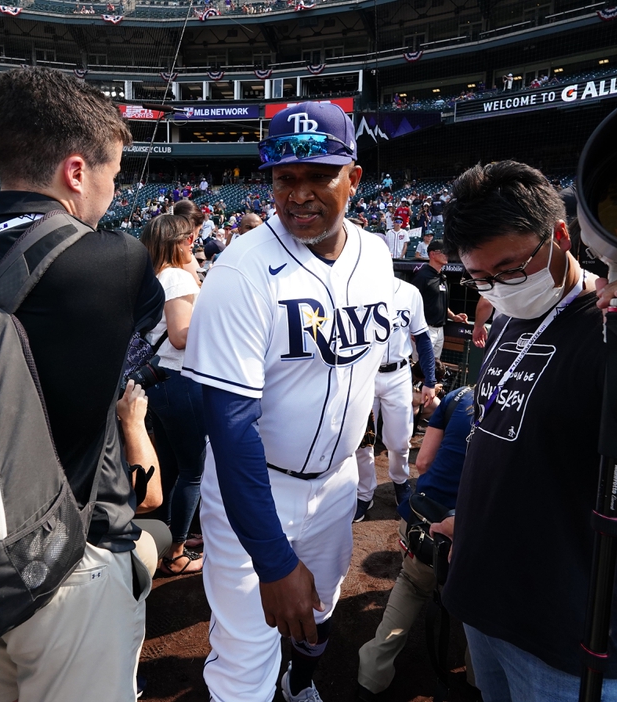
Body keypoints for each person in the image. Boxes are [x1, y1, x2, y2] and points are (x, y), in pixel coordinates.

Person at [0, 66, 165, 702]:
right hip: (67, 563)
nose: (111, 193)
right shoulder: (117, 258)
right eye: (109, 176)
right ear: (76, 172)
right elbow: (142, 361)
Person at [433, 161, 617, 702]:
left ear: (560, 235)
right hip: (482, 596)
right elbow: (506, 436)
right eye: (480, 277)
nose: (498, 288)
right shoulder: (505, 314)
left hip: (570, 626)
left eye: (511, 269)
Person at [182, 100, 393, 702]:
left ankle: (299, 684)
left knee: (317, 612)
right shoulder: (239, 272)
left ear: (353, 177)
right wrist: (272, 559)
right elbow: (229, 429)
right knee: (245, 659)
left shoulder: (376, 256)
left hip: (333, 484)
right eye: (284, 178)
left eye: (317, 175)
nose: (297, 193)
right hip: (254, 483)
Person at [357, 386, 474, 700]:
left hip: (421, 522)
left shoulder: (460, 396)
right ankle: (479, 681)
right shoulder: (521, 411)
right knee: (475, 611)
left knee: (410, 584)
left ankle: (370, 676)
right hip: (471, 532)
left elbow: (422, 462)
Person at [137, 214, 207, 576]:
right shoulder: (176, 276)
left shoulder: (154, 276)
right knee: (193, 471)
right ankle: (177, 552)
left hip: (159, 380)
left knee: (170, 466)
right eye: (187, 239)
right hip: (180, 378)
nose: (192, 243)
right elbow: (182, 335)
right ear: (175, 243)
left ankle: (163, 538)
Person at [354, 277, 437, 521]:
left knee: (400, 441)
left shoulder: (410, 292)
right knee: (363, 440)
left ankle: (400, 482)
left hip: (399, 374)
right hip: (365, 373)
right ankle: (364, 494)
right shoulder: (356, 289)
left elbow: (422, 337)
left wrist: (430, 380)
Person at [411, 240, 468, 361]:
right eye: (443, 252)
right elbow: (411, 303)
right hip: (424, 329)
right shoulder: (423, 276)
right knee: (421, 368)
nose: (447, 255)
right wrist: (412, 329)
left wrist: (453, 316)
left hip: (439, 330)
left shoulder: (441, 276)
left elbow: (439, 302)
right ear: (432, 254)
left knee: (434, 368)